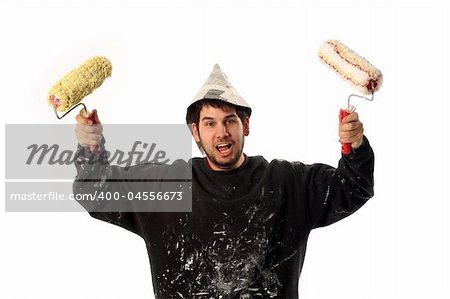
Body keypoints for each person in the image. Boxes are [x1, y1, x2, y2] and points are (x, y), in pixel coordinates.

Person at [73, 64, 374, 299]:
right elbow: (96, 192)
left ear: (245, 125)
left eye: (230, 120)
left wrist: (355, 145)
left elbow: (352, 187)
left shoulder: (287, 183)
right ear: (195, 132)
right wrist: (91, 150)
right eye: (209, 123)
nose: (222, 133)